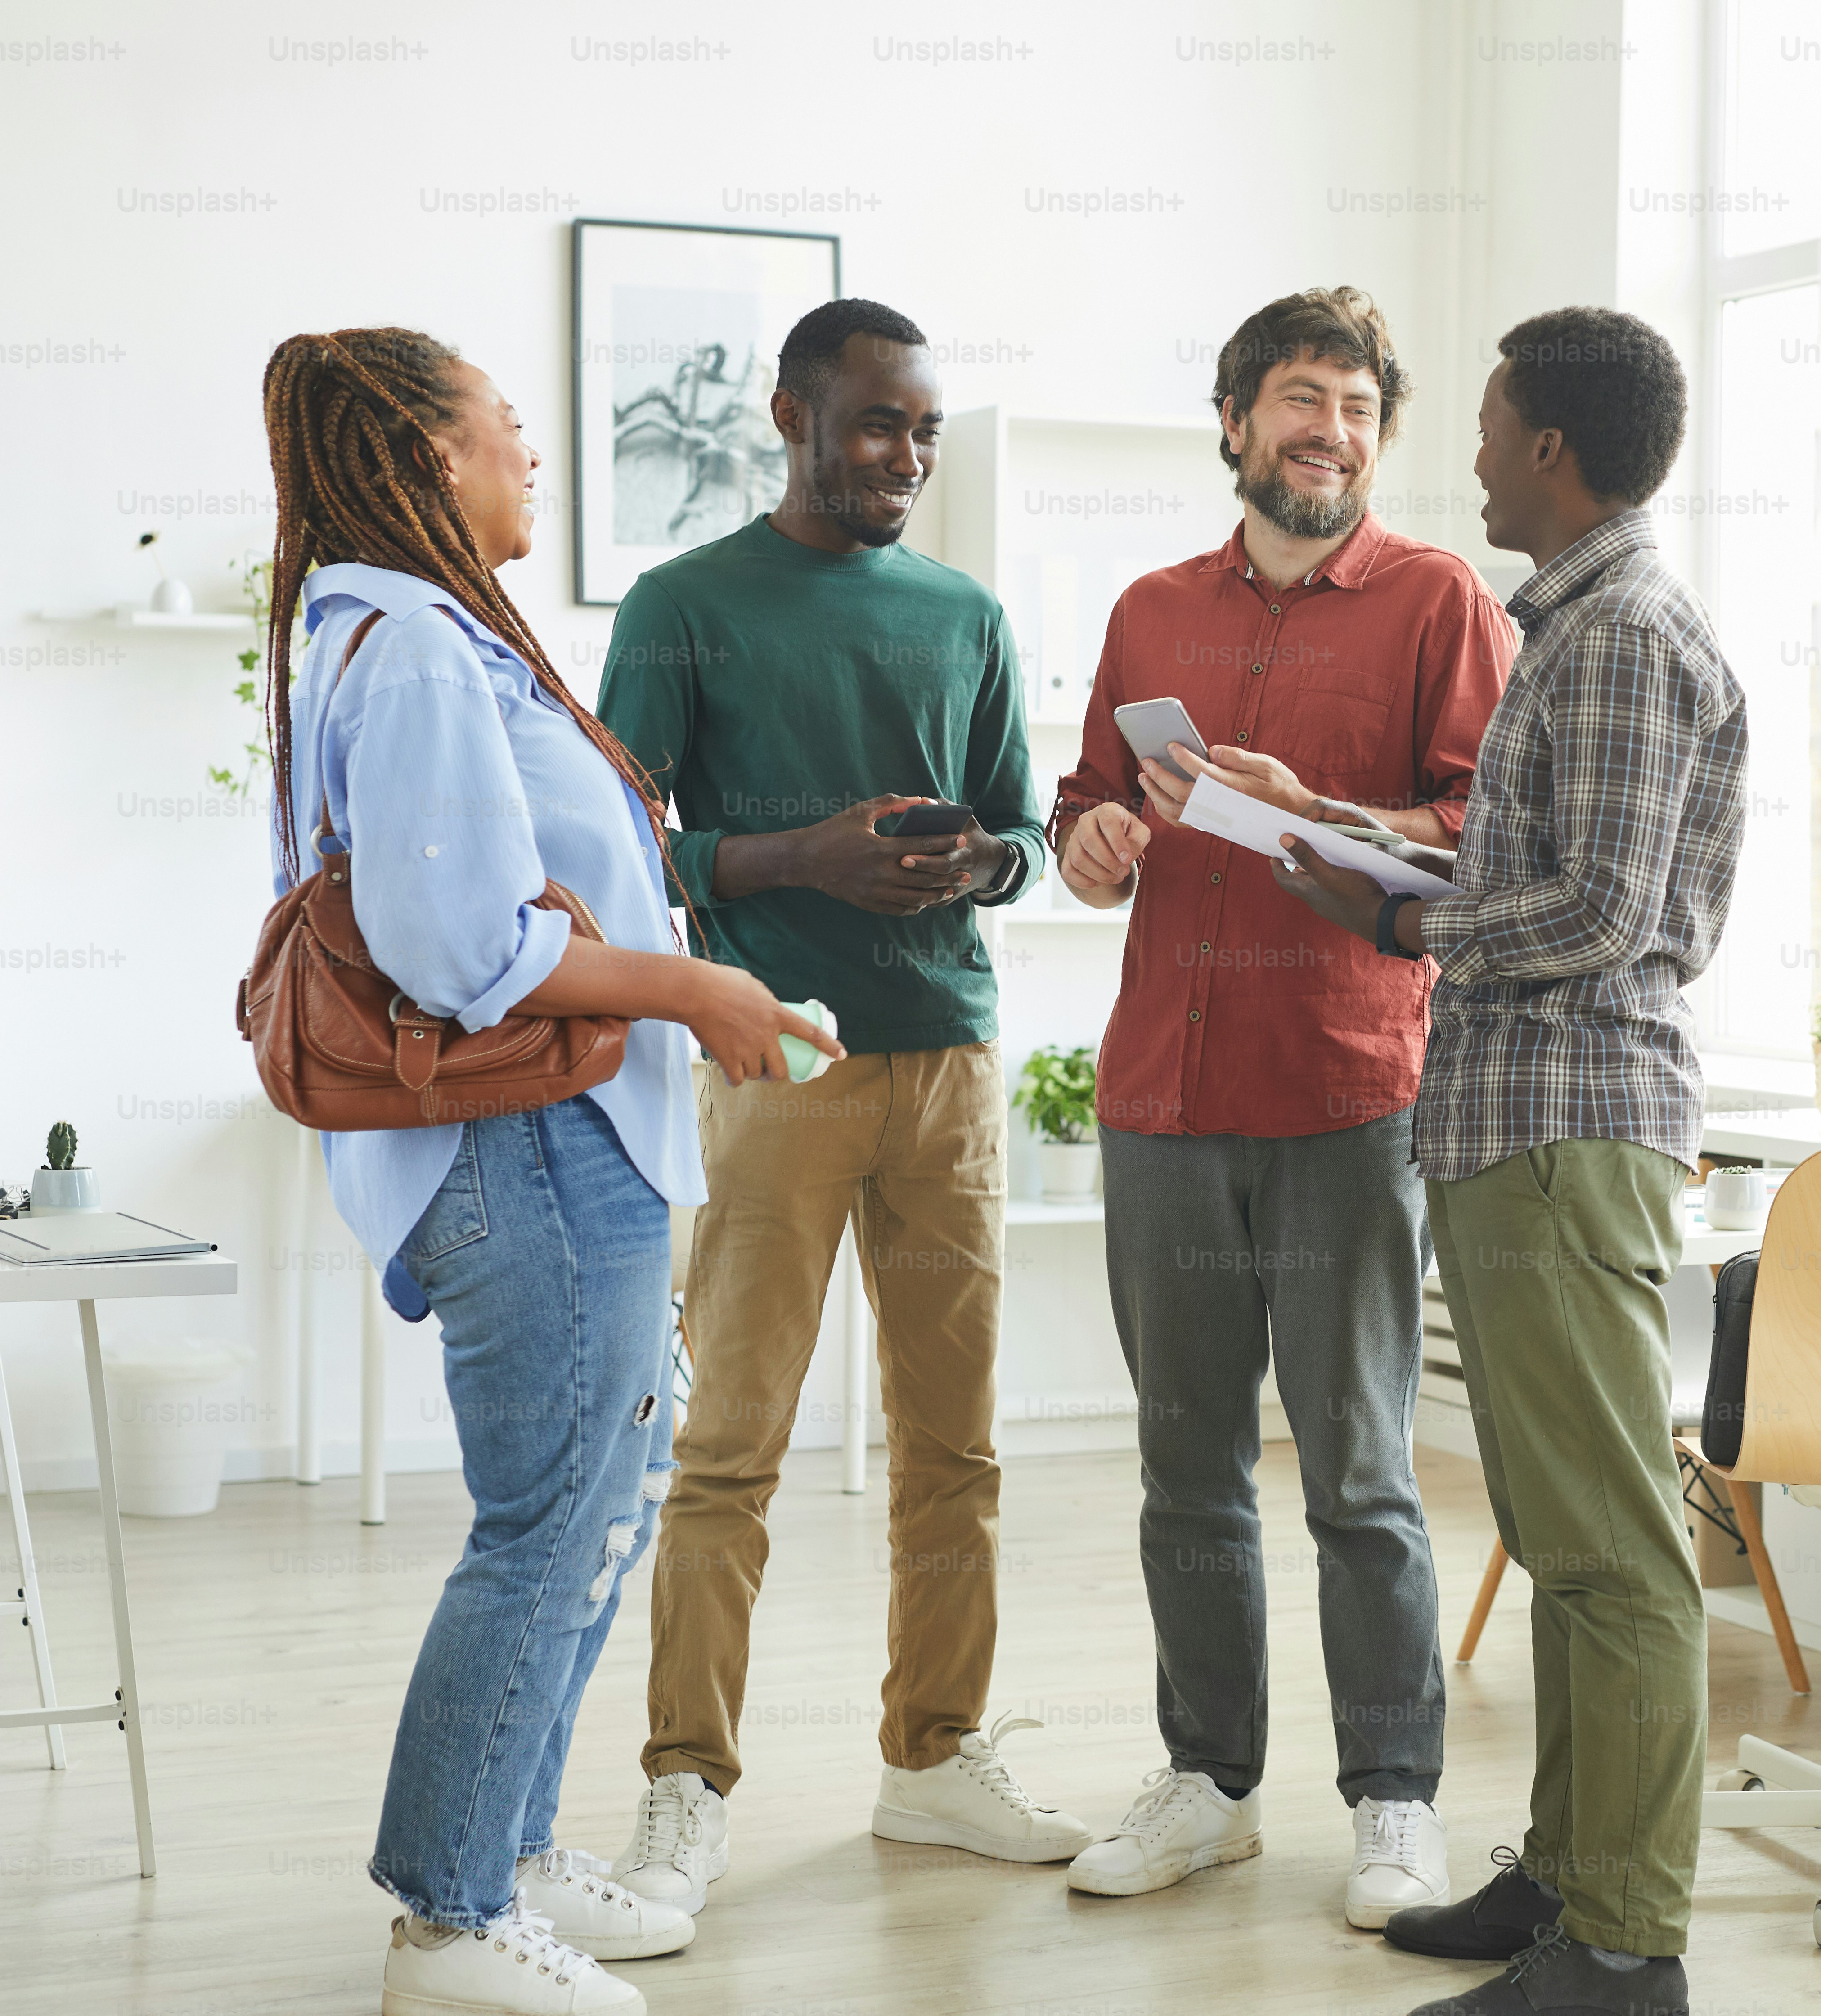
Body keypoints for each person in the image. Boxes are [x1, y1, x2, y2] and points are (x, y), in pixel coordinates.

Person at [262, 326, 840, 2016]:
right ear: (434, 461)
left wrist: (701, 976)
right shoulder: (422, 651)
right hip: (527, 1146)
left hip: (560, 1145)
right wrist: (698, 987)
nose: (532, 452)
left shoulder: (407, 636)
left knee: (598, 1510)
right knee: (543, 1527)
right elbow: (462, 950)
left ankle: (504, 1854)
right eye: (509, 427)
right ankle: (447, 1921)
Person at [1269, 307, 1745, 2016]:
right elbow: (1552, 869)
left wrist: (1403, 910)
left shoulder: (1621, 632)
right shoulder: (1572, 624)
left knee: (1614, 1552)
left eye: (1482, 427)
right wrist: (1375, 866)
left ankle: (1626, 1951)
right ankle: (1567, 1878)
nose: (1462, 456)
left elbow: (1607, 911)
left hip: (1565, 1127)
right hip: (1511, 1125)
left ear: (1549, 447)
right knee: (1560, 1538)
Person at [597, 297, 1082, 1915]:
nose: (908, 456)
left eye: (928, 430)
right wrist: (805, 858)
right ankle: (685, 1789)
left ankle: (935, 1759)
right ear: (793, 419)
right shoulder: (682, 607)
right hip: (776, 1067)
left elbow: (1020, 826)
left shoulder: (968, 613)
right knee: (729, 1448)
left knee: (958, 1445)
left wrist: (976, 862)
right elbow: (620, 856)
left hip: (948, 1064)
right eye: (880, 424)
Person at [1047, 287, 1511, 1925]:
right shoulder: (1150, 610)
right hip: (1163, 1101)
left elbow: (1478, 835)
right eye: (1302, 399)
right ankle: (1211, 1781)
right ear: (1237, 422)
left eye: (1361, 408)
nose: (1332, 430)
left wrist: (1322, 812)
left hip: (1343, 1094)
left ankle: (1394, 1800)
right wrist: (1092, 842)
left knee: (1361, 1476)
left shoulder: (1441, 602)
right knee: (1185, 1469)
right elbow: (1093, 804)